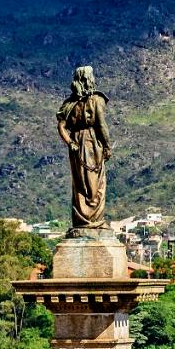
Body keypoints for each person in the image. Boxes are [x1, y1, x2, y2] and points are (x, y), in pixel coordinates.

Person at [56, 66, 111, 230]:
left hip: (76, 143)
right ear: (89, 79)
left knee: (81, 183)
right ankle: (93, 220)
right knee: (94, 182)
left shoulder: (69, 104)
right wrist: (107, 146)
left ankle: (83, 219)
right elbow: (101, 125)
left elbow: (61, 126)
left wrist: (71, 142)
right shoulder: (96, 100)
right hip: (91, 142)